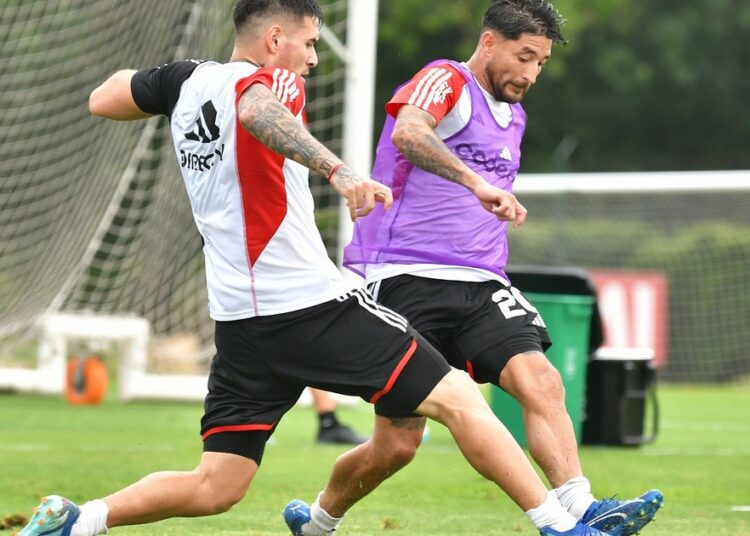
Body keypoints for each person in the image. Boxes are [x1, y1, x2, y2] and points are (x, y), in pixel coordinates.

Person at [17, 1, 608, 536]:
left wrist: (169, 88)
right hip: (308, 303)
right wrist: (338, 170)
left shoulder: (187, 81)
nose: (313, 59)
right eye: (309, 44)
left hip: (240, 322)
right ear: (275, 39)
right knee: (458, 398)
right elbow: (256, 109)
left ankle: (78, 519)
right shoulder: (269, 81)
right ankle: (561, 525)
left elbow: (106, 96)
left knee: (216, 485)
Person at [336, 1, 668, 535]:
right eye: (524, 56)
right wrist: (478, 183)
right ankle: (319, 520)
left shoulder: (515, 115)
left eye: (541, 63)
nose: (532, 73)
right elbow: (409, 133)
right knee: (396, 446)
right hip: (403, 278)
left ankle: (581, 509)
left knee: (542, 380)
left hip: (482, 282)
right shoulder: (444, 78)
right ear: (489, 42)